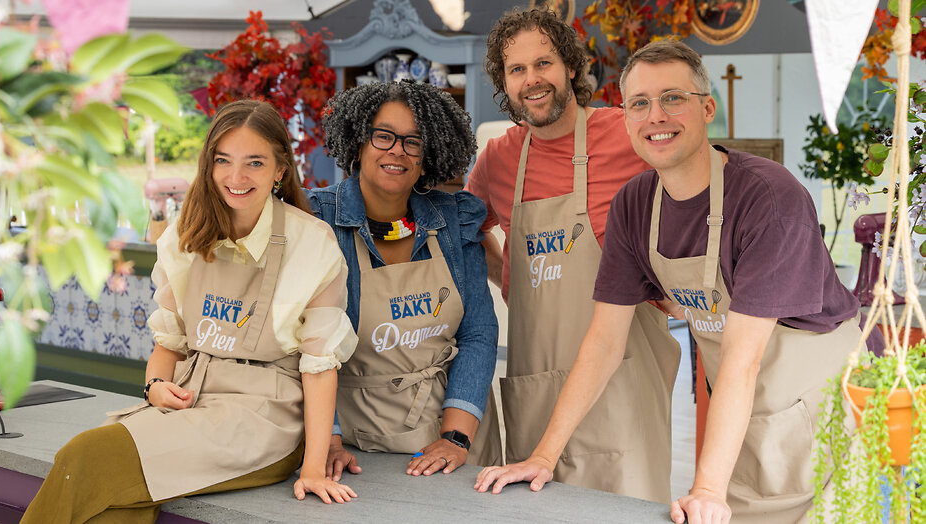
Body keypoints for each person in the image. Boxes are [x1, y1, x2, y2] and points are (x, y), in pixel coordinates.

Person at [475, 40, 885, 524]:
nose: (656, 116)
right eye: (640, 104)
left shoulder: (769, 199)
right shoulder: (635, 205)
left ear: (707, 107)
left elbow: (743, 357)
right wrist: (542, 456)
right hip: (749, 416)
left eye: (673, 98)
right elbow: (604, 342)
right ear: (624, 118)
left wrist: (707, 487)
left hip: (827, 405)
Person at [22, 100, 359, 523]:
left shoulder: (312, 242)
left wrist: (312, 468)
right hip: (190, 403)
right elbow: (168, 345)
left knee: (83, 456)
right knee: (110, 509)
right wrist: (155, 387)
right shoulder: (185, 233)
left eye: (254, 162)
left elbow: (320, 366)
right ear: (208, 165)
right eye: (223, 161)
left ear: (280, 170)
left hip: (266, 421)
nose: (236, 177)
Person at [464, 7, 680, 500]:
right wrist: (512, 278)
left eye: (544, 63)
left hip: (622, 376)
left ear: (569, 67)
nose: (532, 80)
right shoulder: (499, 157)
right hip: (537, 380)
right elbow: (467, 235)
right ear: (504, 81)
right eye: (517, 70)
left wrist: (670, 282)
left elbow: (693, 196)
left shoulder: (627, 133)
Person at [309, 80, 503, 479]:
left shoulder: (454, 222)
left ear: (426, 155)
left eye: (413, 141)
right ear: (358, 141)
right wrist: (326, 438)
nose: (397, 150)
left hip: (452, 443)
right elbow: (300, 346)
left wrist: (456, 437)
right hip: (352, 451)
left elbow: (478, 335)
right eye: (383, 136)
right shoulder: (319, 221)